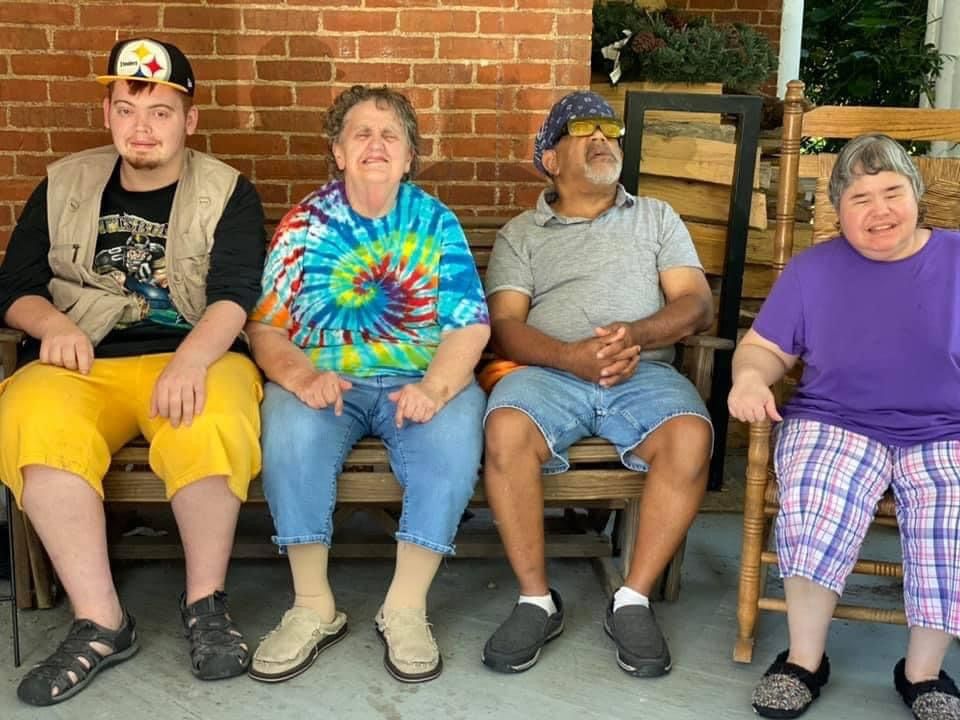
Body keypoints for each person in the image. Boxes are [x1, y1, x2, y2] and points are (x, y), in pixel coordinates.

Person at [0, 38, 266, 705]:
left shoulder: (227, 190)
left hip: (193, 353)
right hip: (85, 359)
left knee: (211, 416)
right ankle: (101, 622)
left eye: (160, 112)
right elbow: (14, 287)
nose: (141, 128)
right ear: (108, 114)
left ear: (189, 120)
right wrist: (54, 326)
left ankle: (206, 605)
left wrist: (193, 359)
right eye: (127, 109)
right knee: (32, 417)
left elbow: (236, 294)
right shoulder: (64, 183)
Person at [246, 85, 489, 685]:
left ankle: (404, 607)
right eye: (361, 133)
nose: (375, 144)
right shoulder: (304, 223)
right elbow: (266, 326)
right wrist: (302, 377)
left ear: (409, 156)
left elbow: (469, 325)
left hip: (420, 376)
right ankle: (312, 606)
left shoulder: (436, 222)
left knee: (452, 441)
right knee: (290, 434)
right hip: (326, 378)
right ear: (338, 151)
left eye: (390, 135)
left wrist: (436, 388)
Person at [479, 92, 714, 678]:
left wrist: (634, 334)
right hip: (548, 375)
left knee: (690, 436)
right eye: (582, 130)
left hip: (644, 373)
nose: (602, 138)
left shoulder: (657, 217)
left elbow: (696, 303)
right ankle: (536, 600)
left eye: (609, 129)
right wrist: (570, 357)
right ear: (550, 159)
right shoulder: (522, 233)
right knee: (505, 429)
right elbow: (505, 326)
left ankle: (632, 598)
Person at [729, 133, 960, 720]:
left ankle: (924, 674)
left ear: (916, 195)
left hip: (947, 426)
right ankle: (804, 661)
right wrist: (751, 379)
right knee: (817, 495)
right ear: (838, 210)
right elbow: (763, 349)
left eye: (892, 192)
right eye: (860, 198)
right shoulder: (813, 270)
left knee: (954, 513)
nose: (880, 210)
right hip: (836, 419)